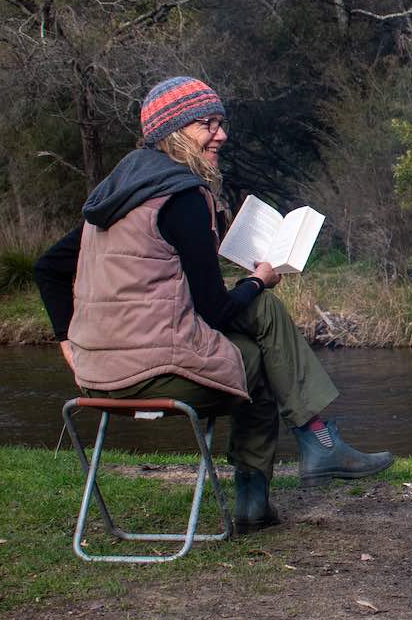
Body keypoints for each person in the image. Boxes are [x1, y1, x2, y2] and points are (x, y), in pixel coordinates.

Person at [34, 76, 392, 534]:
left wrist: (66, 339)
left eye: (220, 123)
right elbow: (214, 313)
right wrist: (259, 280)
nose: (220, 134)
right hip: (157, 375)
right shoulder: (181, 195)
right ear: (173, 132)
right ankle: (303, 454)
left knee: (254, 336)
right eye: (206, 124)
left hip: (96, 377)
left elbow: (48, 267)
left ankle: (295, 467)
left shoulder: (116, 197)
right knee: (259, 348)